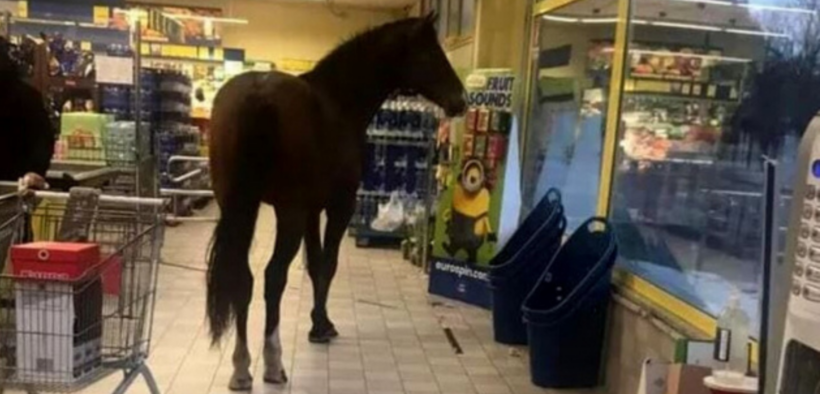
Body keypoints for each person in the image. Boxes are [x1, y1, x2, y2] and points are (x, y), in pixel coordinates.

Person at [0, 36, 54, 192]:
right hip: (15, 189)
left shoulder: (25, 98)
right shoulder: (28, 96)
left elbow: (41, 140)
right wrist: (36, 170)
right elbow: (43, 140)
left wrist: (35, 171)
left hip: (14, 188)